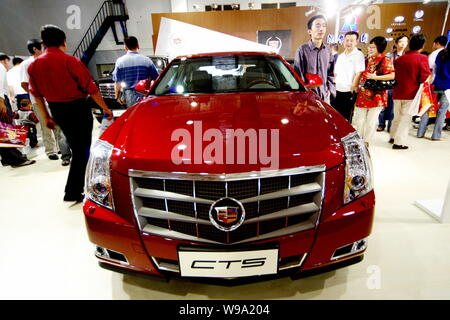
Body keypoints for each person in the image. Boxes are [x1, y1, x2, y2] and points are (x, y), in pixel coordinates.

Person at [27, 25, 113, 202]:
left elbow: (37, 95)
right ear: (63, 42)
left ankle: (75, 189)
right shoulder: (70, 61)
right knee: (83, 151)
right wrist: (105, 108)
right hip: (78, 109)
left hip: (57, 110)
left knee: (78, 149)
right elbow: (92, 89)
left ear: (43, 43)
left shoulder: (35, 65)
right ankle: (73, 190)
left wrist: (46, 117)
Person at [20, 39, 59, 161]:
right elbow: (24, 83)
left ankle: (61, 148)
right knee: (45, 125)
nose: (44, 50)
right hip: (38, 101)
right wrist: (35, 95)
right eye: (41, 48)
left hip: (53, 97)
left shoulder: (46, 61)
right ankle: (50, 151)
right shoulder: (26, 64)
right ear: (34, 49)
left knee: (57, 123)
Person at [390, 34, 431, 150]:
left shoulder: (399, 59)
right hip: (411, 93)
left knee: (397, 117)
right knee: (405, 119)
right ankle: (399, 142)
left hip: (397, 92)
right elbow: (424, 77)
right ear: (422, 46)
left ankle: (392, 136)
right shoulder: (422, 58)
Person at [353, 36, 395, 146]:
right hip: (362, 94)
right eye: (369, 47)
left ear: (379, 48)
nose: (370, 49)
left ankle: (366, 141)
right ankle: (359, 140)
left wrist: (375, 77)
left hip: (377, 96)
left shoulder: (385, 60)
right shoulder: (366, 59)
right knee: (359, 120)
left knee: (371, 121)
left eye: (373, 47)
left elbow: (392, 75)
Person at [0, 53, 35, 168]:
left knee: (2, 129)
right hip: (1, 99)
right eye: (8, 62)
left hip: (4, 98)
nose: (8, 64)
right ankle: (16, 159)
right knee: (7, 129)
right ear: (5, 60)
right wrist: (1, 101)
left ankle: (6, 158)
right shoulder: (0, 67)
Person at [293, 15, 336, 103]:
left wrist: (330, 92)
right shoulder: (302, 50)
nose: (321, 29)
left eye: (324, 26)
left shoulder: (328, 51)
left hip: (325, 97)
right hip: (308, 98)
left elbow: (331, 74)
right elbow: (298, 76)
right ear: (309, 31)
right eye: (318, 25)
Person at [112, 36, 159, 108]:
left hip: (129, 96)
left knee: (133, 116)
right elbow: (156, 78)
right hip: (144, 95)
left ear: (125, 48)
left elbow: (117, 82)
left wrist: (117, 97)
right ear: (138, 46)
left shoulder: (120, 62)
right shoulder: (147, 60)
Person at [417, 41, 450, 141]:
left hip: (435, 84)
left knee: (428, 109)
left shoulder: (441, 53)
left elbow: (433, 67)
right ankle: (436, 136)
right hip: (448, 87)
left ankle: (420, 133)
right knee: (442, 112)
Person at [377, 35, 409, 132]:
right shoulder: (389, 55)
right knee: (383, 106)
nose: (403, 44)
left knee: (393, 108)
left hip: (399, 85)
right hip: (387, 83)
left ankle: (390, 126)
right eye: (401, 42)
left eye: (405, 42)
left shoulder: (407, 56)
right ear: (396, 43)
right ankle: (381, 124)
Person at [332, 31, 365, 122]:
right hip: (337, 89)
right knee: (336, 114)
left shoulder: (358, 55)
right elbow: (336, 73)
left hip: (348, 91)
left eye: (351, 40)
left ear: (356, 42)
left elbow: (359, 73)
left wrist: (353, 88)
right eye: (347, 40)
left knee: (346, 116)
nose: (349, 43)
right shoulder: (341, 56)